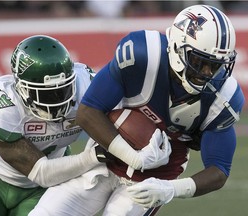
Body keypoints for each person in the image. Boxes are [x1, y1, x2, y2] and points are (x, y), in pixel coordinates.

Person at [29, 4, 245, 216]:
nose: (207, 73)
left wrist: (170, 189)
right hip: (104, 158)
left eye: (215, 65)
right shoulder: (143, 55)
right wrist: (134, 157)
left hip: (154, 179)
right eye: (200, 61)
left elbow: (218, 170)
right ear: (177, 47)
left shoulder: (224, 98)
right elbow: (88, 112)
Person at [0, 35, 110, 216]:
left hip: (47, 185)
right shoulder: (5, 107)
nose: (56, 100)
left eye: (62, 90)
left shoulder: (86, 87)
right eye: (45, 94)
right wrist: (92, 157)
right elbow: (41, 172)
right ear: (21, 88)